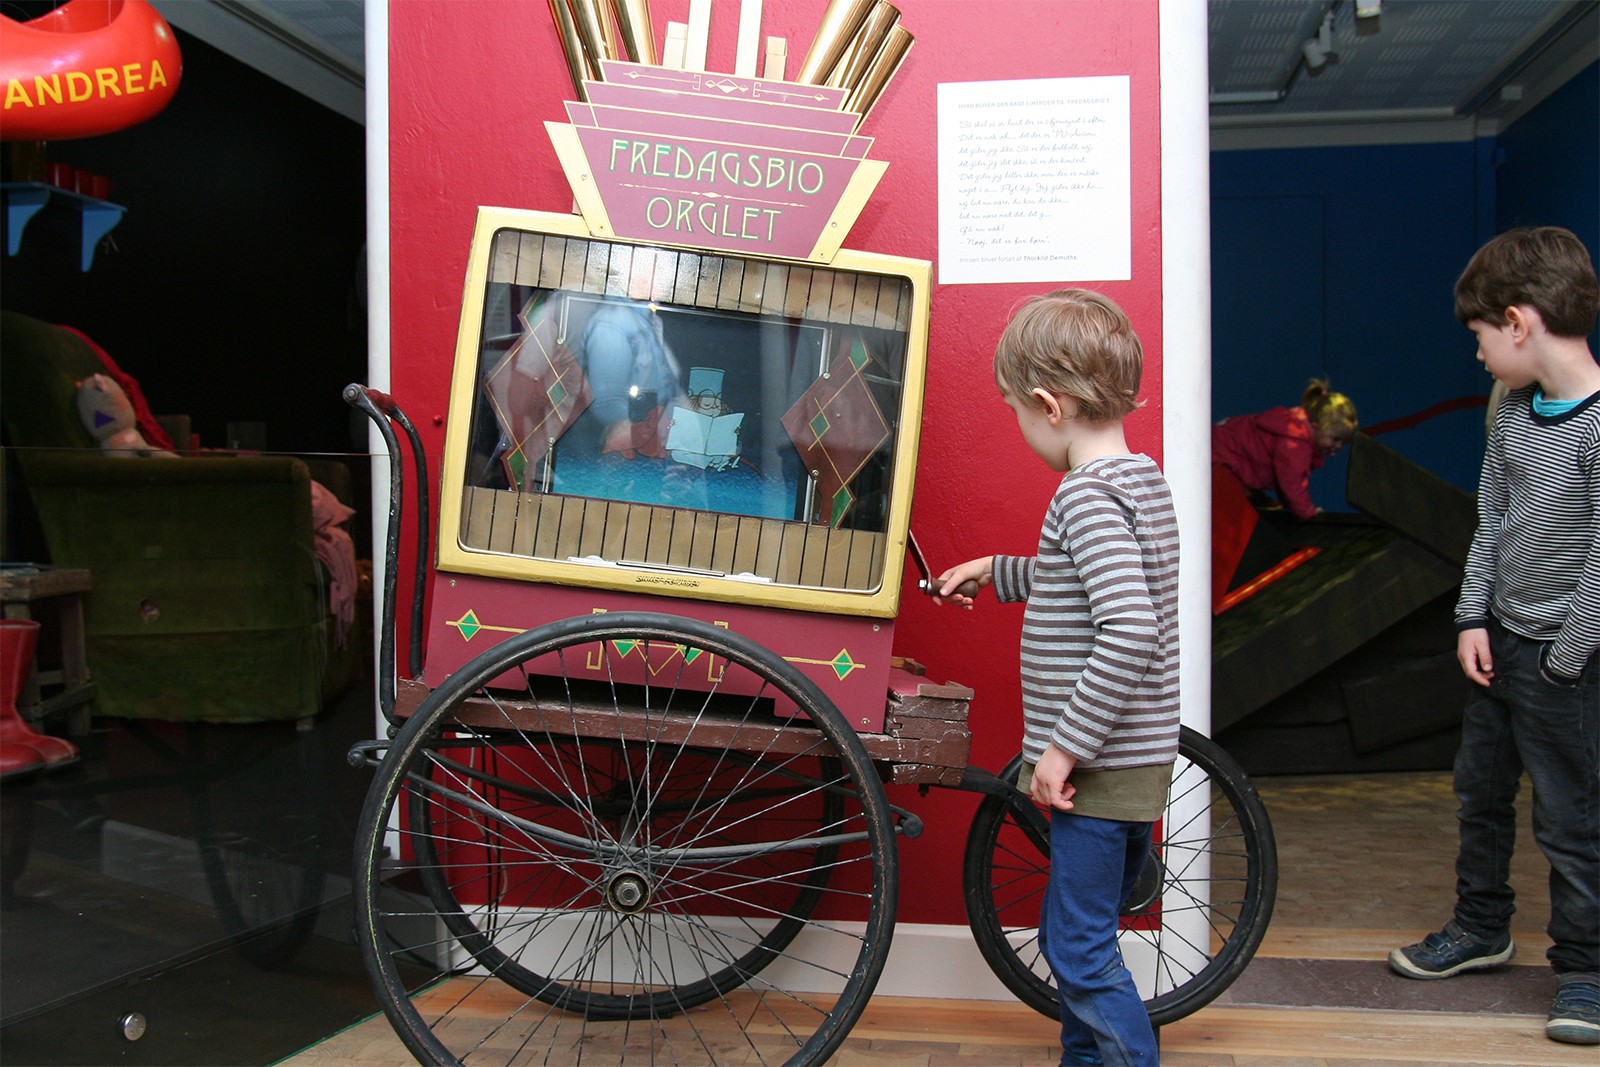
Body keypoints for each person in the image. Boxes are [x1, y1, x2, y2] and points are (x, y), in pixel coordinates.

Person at [932, 289, 1178, 1065]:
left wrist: (1063, 749)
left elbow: (1129, 625)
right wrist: (999, 572)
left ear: (1050, 404)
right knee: (1084, 933)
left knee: (1076, 946)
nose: (1021, 427)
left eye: (1016, 411)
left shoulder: (1084, 495)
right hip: (1137, 760)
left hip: (1098, 769)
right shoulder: (1140, 480)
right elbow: (1087, 579)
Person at [1387, 226, 1599, 1048]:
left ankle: (1583, 968)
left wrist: (1563, 657)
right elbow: (1493, 521)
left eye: (1478, 337)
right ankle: (1481, 928)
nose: (1476, 355)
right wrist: (1471, 616)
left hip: (1563, 662)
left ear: (1518, 322)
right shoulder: (1511, 411)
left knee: (1571, 817)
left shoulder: (1592, 427)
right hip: (1500, 646)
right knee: (1480, 792)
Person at [1211, 379, 1359, 520]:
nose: (1338, 446)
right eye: (1335, 439)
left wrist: (1290, 506)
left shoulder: (1296, 430)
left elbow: (1283, 478)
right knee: (1231, 511)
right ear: (1315, 426)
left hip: (1222, 450)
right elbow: (1292, 482)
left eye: (1343, 442)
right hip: (1220, 457)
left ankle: (1255, 499)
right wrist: (1308, 513)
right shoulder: (1296, 443)